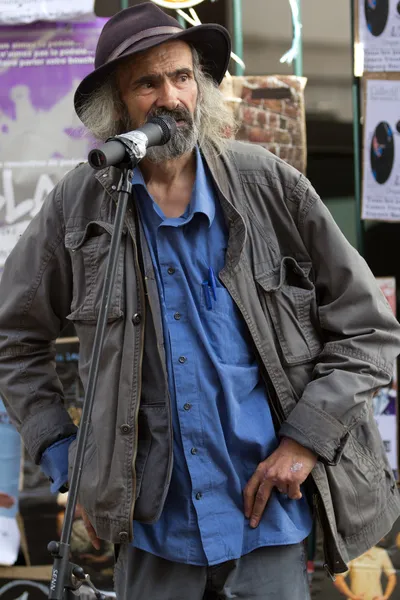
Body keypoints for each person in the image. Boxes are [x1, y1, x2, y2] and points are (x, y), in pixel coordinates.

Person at [0, 3, 399, 599]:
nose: (170, 97)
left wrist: (305, 440)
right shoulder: (78, 206)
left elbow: (369, 327)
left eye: (182, 77)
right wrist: (64, 454)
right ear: (117, 103)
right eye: (148, 83)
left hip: (267, 516)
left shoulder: (269, 184)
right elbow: (12, 339)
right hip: (153, 527)